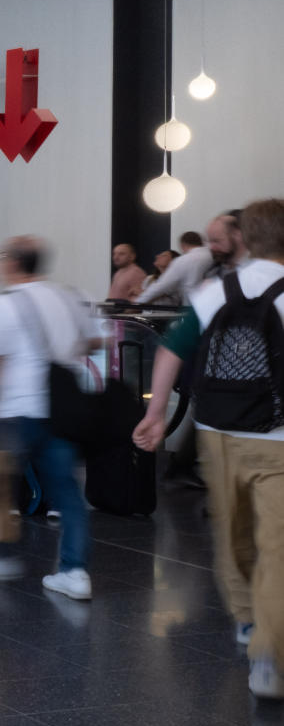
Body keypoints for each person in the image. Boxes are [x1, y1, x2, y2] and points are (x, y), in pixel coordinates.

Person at [135, 198, 284, 699]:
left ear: (250, 239)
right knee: (278, 549)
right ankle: (268, 653)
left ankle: (246, 620)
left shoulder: (216, 291)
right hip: (278, 438)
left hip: (216, 430)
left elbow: (173, 348)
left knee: (233, 531)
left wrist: (155, 414)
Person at [0, 236, 97, 600]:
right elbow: (93, 342)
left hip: (15, 410)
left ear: (12, 263)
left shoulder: (3, 306)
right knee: (68, 494)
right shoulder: (69, 297)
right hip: (60, 412)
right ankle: (75, 572)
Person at [139, 222, 231, 307]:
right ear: (201, 242)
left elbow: (161, 287)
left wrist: (137, 303)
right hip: (220, 304)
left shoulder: (183, 260)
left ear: (183, 246)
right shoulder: (213, 255)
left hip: (193, 308)